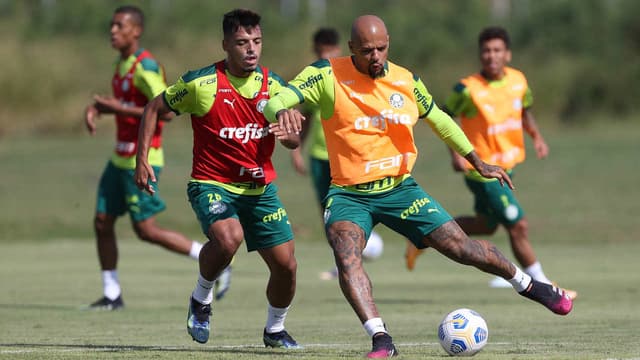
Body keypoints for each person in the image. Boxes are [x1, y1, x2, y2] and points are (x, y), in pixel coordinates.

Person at [265, 15, 573, 358]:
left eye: (381, 48)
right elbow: (276, 97)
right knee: (347, 257)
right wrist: (281, 113)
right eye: (367, 50)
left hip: (400, 189)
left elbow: (440, 119)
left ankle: (531, 285)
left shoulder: (405, 81)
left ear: (389, 44)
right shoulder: (326, 74)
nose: (376, 56)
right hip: (349, 193)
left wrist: (478, 161)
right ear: (352, 48)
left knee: (463, 249)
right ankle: (381, 339)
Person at [134, 9, 301, 349]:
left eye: (256, 41)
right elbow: (154, 107)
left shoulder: (274, 86)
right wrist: (142, 158)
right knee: (229, 237)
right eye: (242, 43)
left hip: (260, 189)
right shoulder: (202, 84)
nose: (251, 49)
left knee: (286, 267)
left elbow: (293, 136)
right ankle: (201, 300)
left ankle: (275, 330)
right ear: (225, 44)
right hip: (211, 183)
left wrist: (289, 137)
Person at [83, 5, 231, 311]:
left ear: (136, 31)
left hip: (144, 158)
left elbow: (161, 112)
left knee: (146, 230)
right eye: (111, 25)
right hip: (119, 157)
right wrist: (101, 109)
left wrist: (116, 108)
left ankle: (214, 257)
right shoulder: (121, 63)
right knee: (102, 221)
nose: (113, 31)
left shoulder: (145, 67)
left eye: (119, 26)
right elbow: (124, 104)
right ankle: (112, 294)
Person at [432, 26, 574, 299]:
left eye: (497, 50)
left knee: (487, 225)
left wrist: (537, 136)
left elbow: (524, 112)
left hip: (507, 167)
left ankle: (428, 234)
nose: (491, 56)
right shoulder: (466, 88)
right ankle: (544, 284)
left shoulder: (518, 81)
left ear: (507, 54)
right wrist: (455, 156)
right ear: (480, 54)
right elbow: (444, 118)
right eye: (486, 50)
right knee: (517, 224)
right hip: (481, 170)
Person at [290, 27, 384, 281]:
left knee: (357, 205)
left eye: (329, 51)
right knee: (328, 214)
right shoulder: (315, 79)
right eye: (320, 51)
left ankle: (362, 247)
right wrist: (297, 150)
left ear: (340, 49)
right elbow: (307, 117)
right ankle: (344, 263)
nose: (325, 55)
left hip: (347, 156)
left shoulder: (346, 77)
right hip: (321, 156)